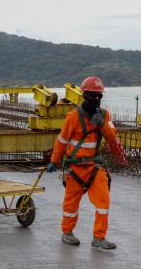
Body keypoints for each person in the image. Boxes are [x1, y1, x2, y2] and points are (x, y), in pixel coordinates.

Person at [45, 76, 127, 249]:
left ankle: (99, 238)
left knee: (103, 202)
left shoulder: (105, 115)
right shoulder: (72, 118)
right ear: (84, 96)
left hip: (94, 167)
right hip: (74, 167)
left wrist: (102, 124)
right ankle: (67, 232)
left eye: (99, 96)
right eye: (92, 96)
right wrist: (54, 160)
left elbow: (113, 139)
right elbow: (62, 141)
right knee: (71, 203)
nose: (96, 99)